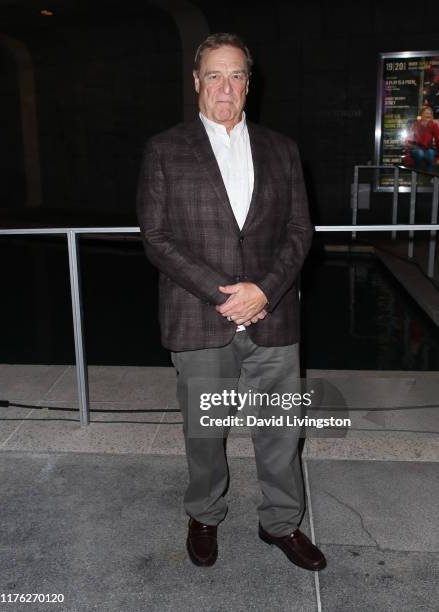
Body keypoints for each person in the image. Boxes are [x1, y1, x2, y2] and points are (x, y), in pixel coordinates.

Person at [137, 32, 326, 571]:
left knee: (281, 431)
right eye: (214, 75)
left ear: (249, 83)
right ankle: (204, 516)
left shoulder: (282, 149)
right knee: (204, 431)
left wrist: (264, 289)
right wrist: (224, 295)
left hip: (274, 314)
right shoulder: (165, 149)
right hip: (200, 316)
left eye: (236, 74)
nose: (226, 86)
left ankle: (282, 524)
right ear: (197, 82)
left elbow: (299, 230)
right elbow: (156, 236)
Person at [407, 106, 439, 170]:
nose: (428, 115)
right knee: (420, 153)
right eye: (426, 113)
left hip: (428, 149)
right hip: (416, 148)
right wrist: (411, 146)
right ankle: (418, 173)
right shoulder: (415, 125)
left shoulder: (433, 125)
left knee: (431, 153)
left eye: (430, 113)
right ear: (421, 114)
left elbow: (438, 139)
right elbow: (410, 139)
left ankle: (429, 175)